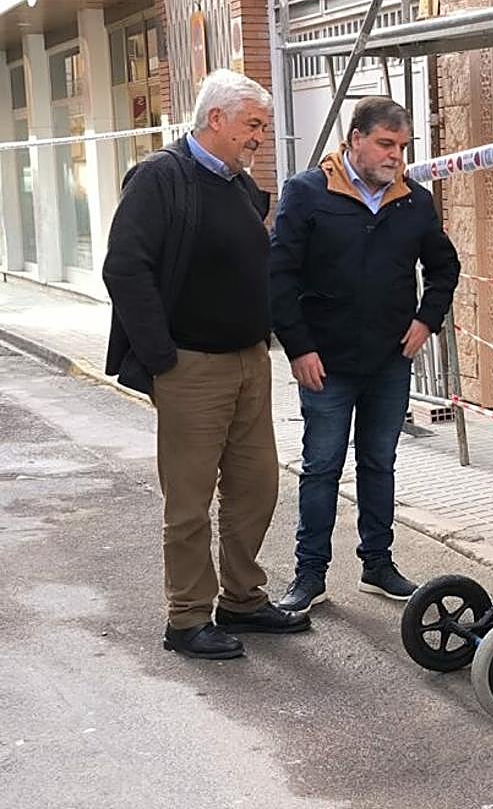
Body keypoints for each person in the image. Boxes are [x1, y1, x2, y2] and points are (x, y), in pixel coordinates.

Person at [102, 69, 310, 661]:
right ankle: (187, 617)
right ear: (215, 118)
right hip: (191, 367)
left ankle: (243, 599)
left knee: (257, 487)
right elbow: (125, 269)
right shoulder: (160, 179)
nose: (259, 139)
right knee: (189, 500)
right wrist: (162, 357)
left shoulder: (239, 186)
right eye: (252, 125)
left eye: (264, 128)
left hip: (249, 362)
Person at [270, 97, 461, 613]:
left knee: (379, 463)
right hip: (325, 365)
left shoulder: (413, 202)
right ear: (354, 139)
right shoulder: (307, 193)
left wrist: (426, 322)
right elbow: (280, 276)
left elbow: (445, 267)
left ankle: (378, 565)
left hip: (388, 364)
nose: (396, 156)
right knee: (321, 467)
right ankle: (309, 575)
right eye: (385, 144)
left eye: (402, 147)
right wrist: (299, 348)